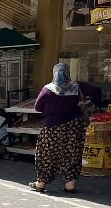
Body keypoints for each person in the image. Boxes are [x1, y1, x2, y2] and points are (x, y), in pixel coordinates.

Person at [29, 63, 100, 195]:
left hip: (51, 128)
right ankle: (70, 185)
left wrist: (51, 110)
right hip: (74, 127)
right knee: (72, 153)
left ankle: (41, 184)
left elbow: (38, 107)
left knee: (46, 154)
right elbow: (96, 91)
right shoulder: (77, 86)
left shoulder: (47, 89)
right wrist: (91, 105)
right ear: (67, 73)